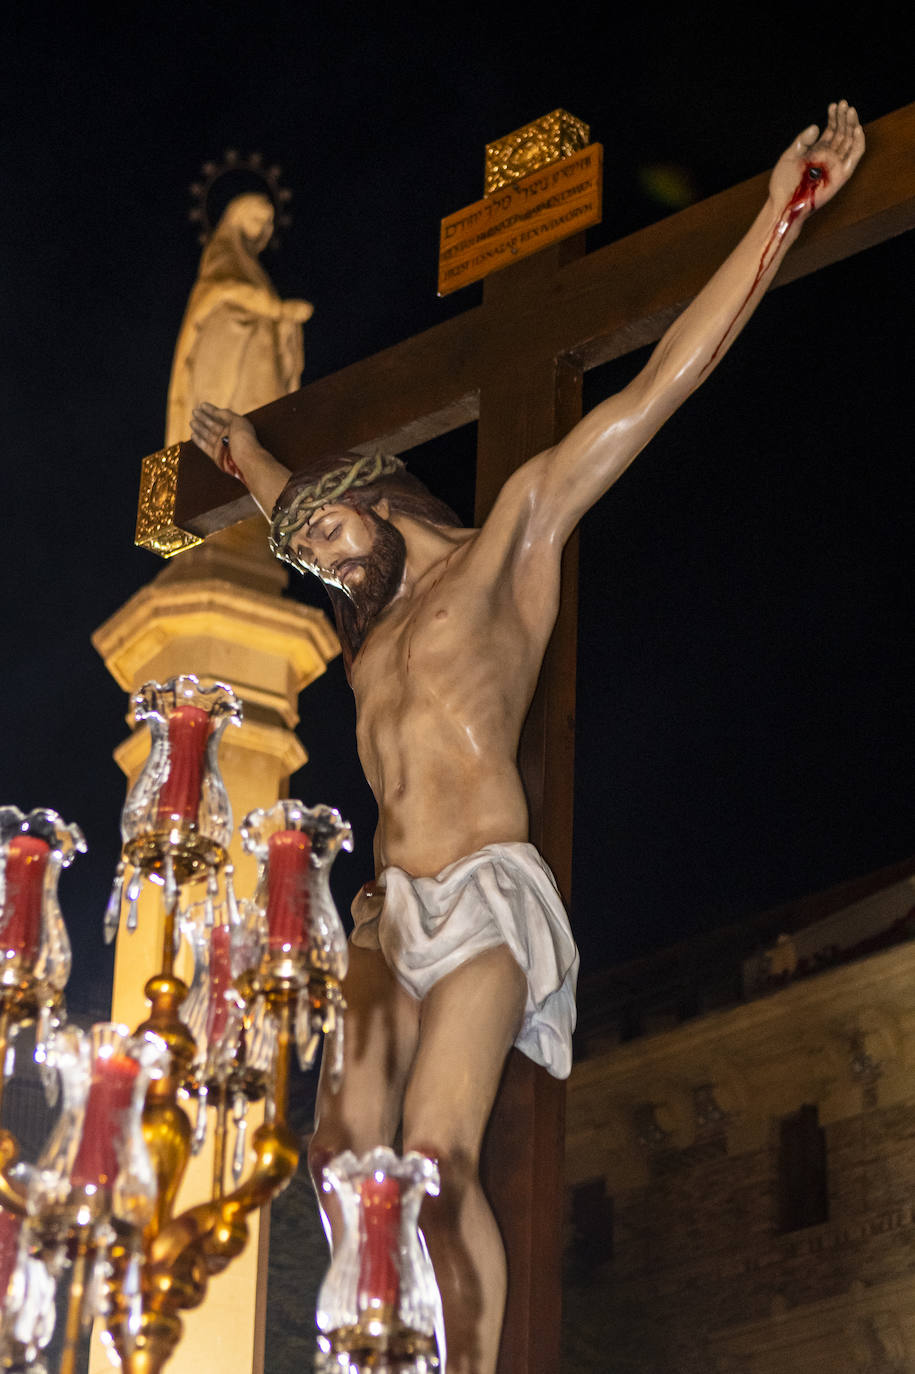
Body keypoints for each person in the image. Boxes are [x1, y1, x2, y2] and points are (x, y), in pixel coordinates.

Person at [190, 103, 864, 1374]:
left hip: (489, 898)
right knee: (340, 1159)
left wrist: (786, 209)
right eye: (315, 555)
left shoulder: (513, 542)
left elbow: (664, 382)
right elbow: (297, 507)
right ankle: (375, 1345)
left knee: (436, 1158)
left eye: (338, 540)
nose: (329, 566)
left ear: (385, 498)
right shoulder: (365, 621)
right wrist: (248, 456)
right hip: (390, 907)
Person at [166, 192, 313, 447]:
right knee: (226, 421)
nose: (262, 228)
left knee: (265, 420)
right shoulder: (222, 252)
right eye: (256, 218)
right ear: (237, 216)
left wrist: (283, 324)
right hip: (226, 348)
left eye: (267, 223)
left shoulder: (255, 271)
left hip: (259, 353)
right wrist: (276, 309)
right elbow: (218, 289)